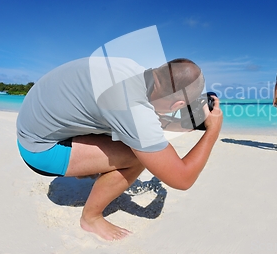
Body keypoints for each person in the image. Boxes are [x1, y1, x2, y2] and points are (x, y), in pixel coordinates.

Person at [16, 57, 223, 241]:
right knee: (138, 156)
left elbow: (144, 116)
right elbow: (182, 178)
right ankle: (91, 218)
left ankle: (84, 169)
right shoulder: (134, 111)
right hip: (39, 150)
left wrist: (183, 124)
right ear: (177, 103)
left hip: (34, 124)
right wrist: (212, 131)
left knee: (131, 137)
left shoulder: (131, 69)